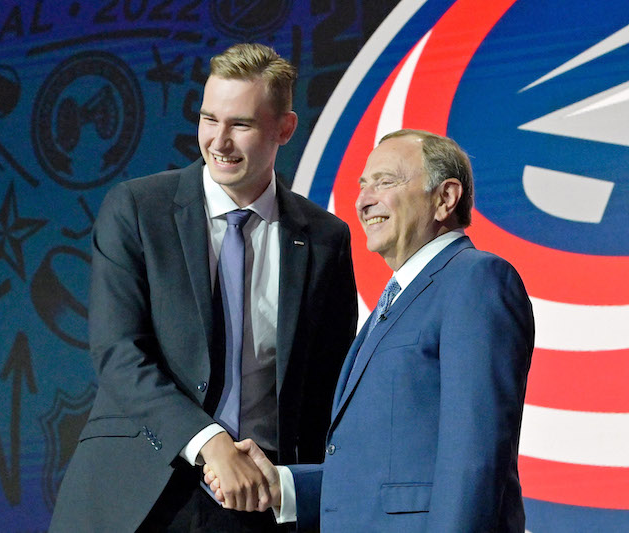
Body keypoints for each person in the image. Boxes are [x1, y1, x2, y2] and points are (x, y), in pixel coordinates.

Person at [50, 43, 358, 532]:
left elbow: (329, 387)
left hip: (258, 502)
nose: (219, 141)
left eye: (240, 124)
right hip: (138, 492)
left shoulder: (325, 238)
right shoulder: (137, 209)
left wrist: (310, 492)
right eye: (208, 119)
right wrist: (209, 440)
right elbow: (118, 353)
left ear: (285, 128)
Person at [205, 129, 535, 532]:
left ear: (445, 198)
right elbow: (381, 474)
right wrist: (283, 485)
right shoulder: (395, 300)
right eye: (362, 185)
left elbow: (473, 459)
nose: (363, 200)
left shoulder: (475, 279)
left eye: (385, 182)